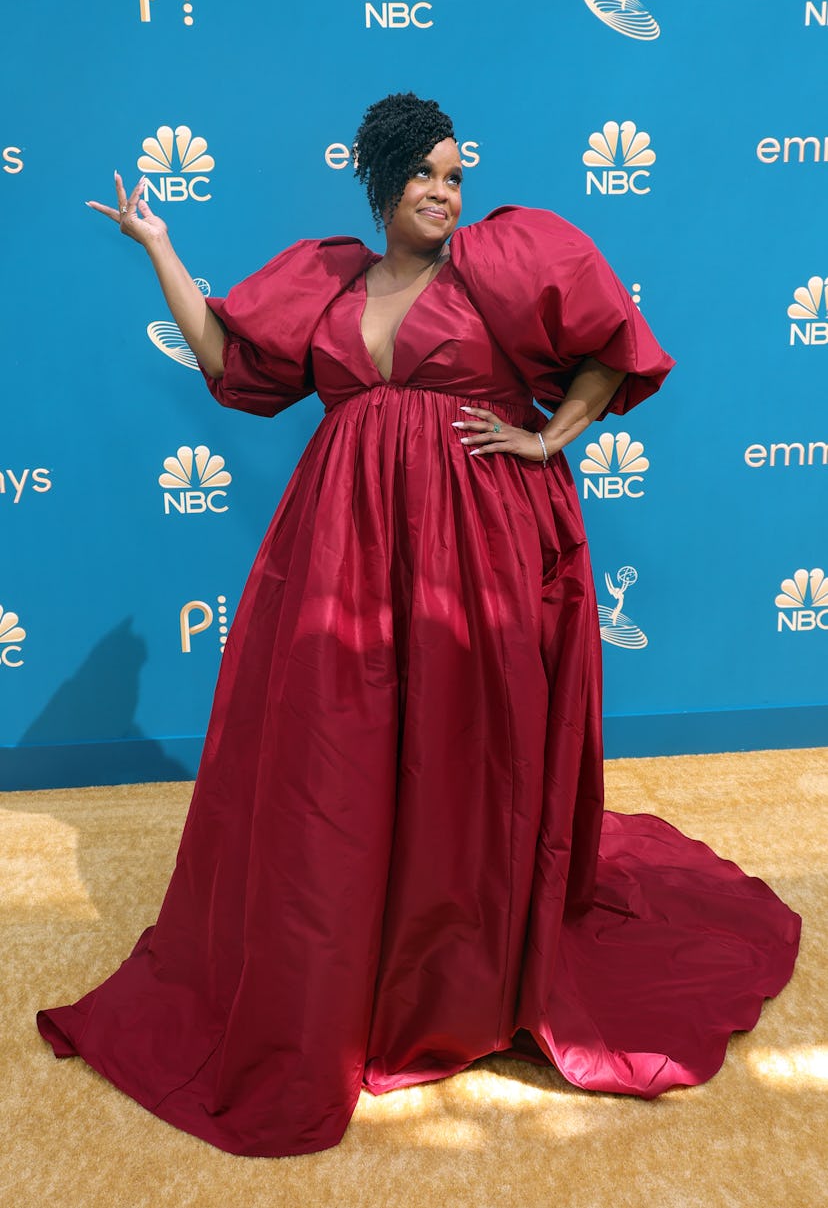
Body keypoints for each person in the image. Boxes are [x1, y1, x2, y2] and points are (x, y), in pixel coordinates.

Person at [37, 93, 800, 1159]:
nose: (446, 192)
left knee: (461, 757)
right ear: (382, 181)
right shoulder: (334, 278)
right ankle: (346, 955)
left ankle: (456, 978)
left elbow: (614, 347)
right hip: (345, 547)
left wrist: (549, 442)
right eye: (425, 175)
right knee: (337, 762)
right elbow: (227, 361)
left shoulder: (500, 259)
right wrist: (161, 248)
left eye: (455, 174)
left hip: (477, 547)